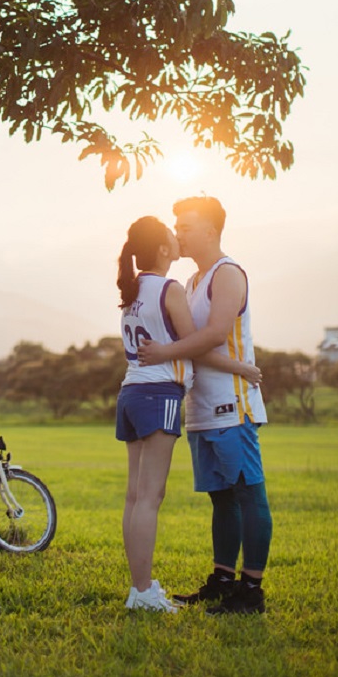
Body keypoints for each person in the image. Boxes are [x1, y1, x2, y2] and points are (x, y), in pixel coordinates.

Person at [116, 216, 260, 613]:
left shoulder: (133, 289)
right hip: (158, 393)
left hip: (129, 392)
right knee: (150, 497)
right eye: (171, 233)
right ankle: (143, 592)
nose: (177, 237)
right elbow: (194, 345)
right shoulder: (170, 288)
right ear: (162, 249)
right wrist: (241, 367)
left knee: (134, 497)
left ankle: (139, 588)